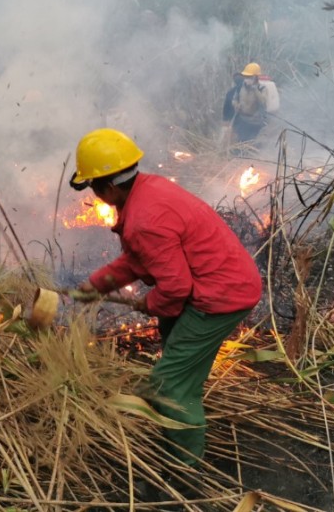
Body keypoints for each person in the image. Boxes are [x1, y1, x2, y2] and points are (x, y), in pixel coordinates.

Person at [69, 128, 263, 468]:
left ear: (109, 188)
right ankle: (184, 400)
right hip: (226, 280)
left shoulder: (144, 220)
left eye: (92, 187)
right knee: (174, 342)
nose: (94, 194)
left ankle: (186, 466)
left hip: (221, 297)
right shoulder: (150, 188)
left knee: (168, 386)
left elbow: (175, 289)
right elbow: (138, 259)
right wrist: (96, 286)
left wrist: (151, 304)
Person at [222, 62, 279, 149]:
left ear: (255, 78)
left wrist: (255, 89)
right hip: (243, 120)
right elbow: (234, 98)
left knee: (252, 144)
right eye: (246, 77)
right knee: (240, 143)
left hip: (255, 122)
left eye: (249, 77)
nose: (247, 80)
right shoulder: (241, 87)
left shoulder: (262, 88)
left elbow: (263, 101)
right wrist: (236, 105)